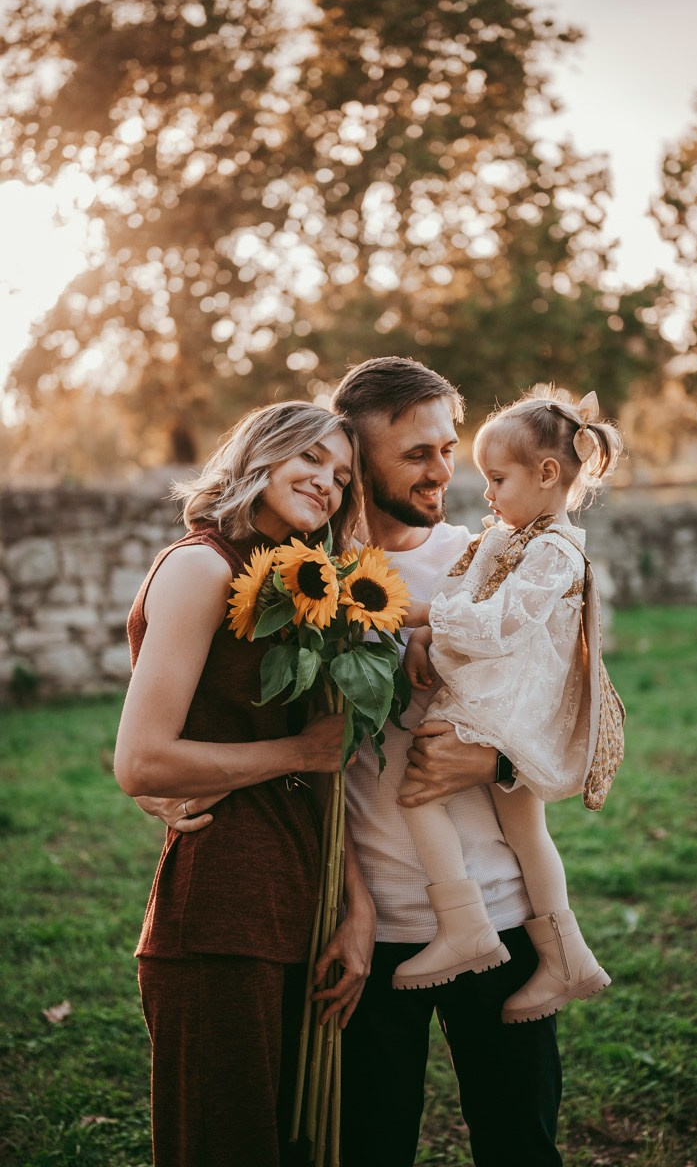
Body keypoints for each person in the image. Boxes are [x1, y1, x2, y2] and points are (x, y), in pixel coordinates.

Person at [143, 360, 564, 1167]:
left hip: (505, 910)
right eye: (416, 455)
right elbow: (224, 709)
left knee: (521, 1141)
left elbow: (579, 731)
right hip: (364, 929)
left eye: (449, 447)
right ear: (356, 460)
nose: (444, 471)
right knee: (368, 1146)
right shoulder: (304, 581)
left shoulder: (502, 564)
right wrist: (173, 778)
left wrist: (493, 765)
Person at [114, 401, 376, 1167]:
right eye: (312, 460)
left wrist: (356, 908)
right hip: (222, 909)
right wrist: (297, 751)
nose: (328, 484)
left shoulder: (301, 588)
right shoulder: (202, 567)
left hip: (298, 898)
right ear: (261, 456)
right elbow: (142, 761)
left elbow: (319, 762)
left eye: (342, 476)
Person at [394, 389, 621, 1027]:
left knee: (415, 786)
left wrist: (423, 614)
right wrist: (427, 632)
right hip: (501, 696)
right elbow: (465, 592)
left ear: (548, 475)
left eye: (498, 479)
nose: (487, 494)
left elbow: (498, 625)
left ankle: (463, 925)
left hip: (505, 702)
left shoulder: (554, 553)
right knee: (525, 831)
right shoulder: (513, 538)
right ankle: (566, 955)